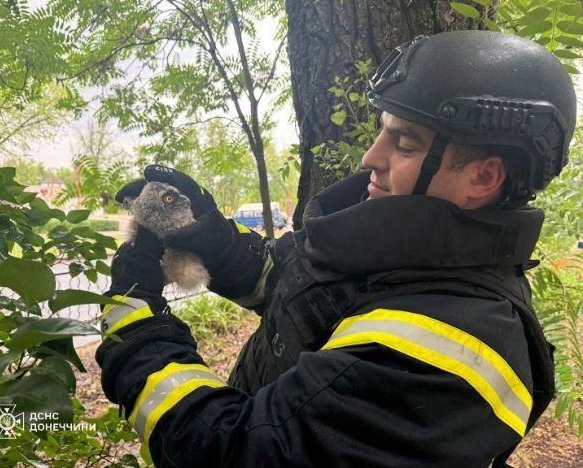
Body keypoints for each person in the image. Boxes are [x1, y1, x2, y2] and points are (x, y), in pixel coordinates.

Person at [95, 30, 577, 467]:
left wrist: (136, 328)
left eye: (404, 143)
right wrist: (208, 235)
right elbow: (298, 294)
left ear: (482, 177)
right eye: (383, 130)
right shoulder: (394, 255)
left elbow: (236, 452)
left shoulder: (452, 352)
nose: (372, 157)